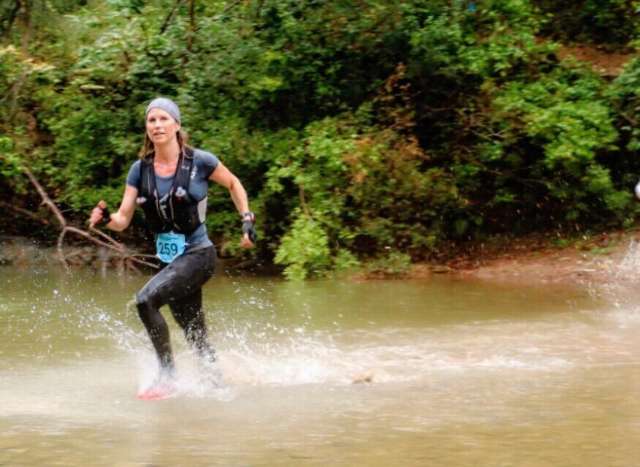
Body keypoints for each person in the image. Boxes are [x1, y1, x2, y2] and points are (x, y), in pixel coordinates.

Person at [89, 97, 256, 397]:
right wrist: (105, 220)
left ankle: (167, 376)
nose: (157, 125)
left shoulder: (201, 162)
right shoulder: (139, 170)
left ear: (177, 125)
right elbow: (123, 219)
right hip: (170, 261)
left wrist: (246, 218)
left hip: (198, 254)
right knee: (194, 332)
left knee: (145, 301)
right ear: (147, 128)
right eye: (151, 120)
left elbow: (233, 184)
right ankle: (216, 383)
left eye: (163, 119)